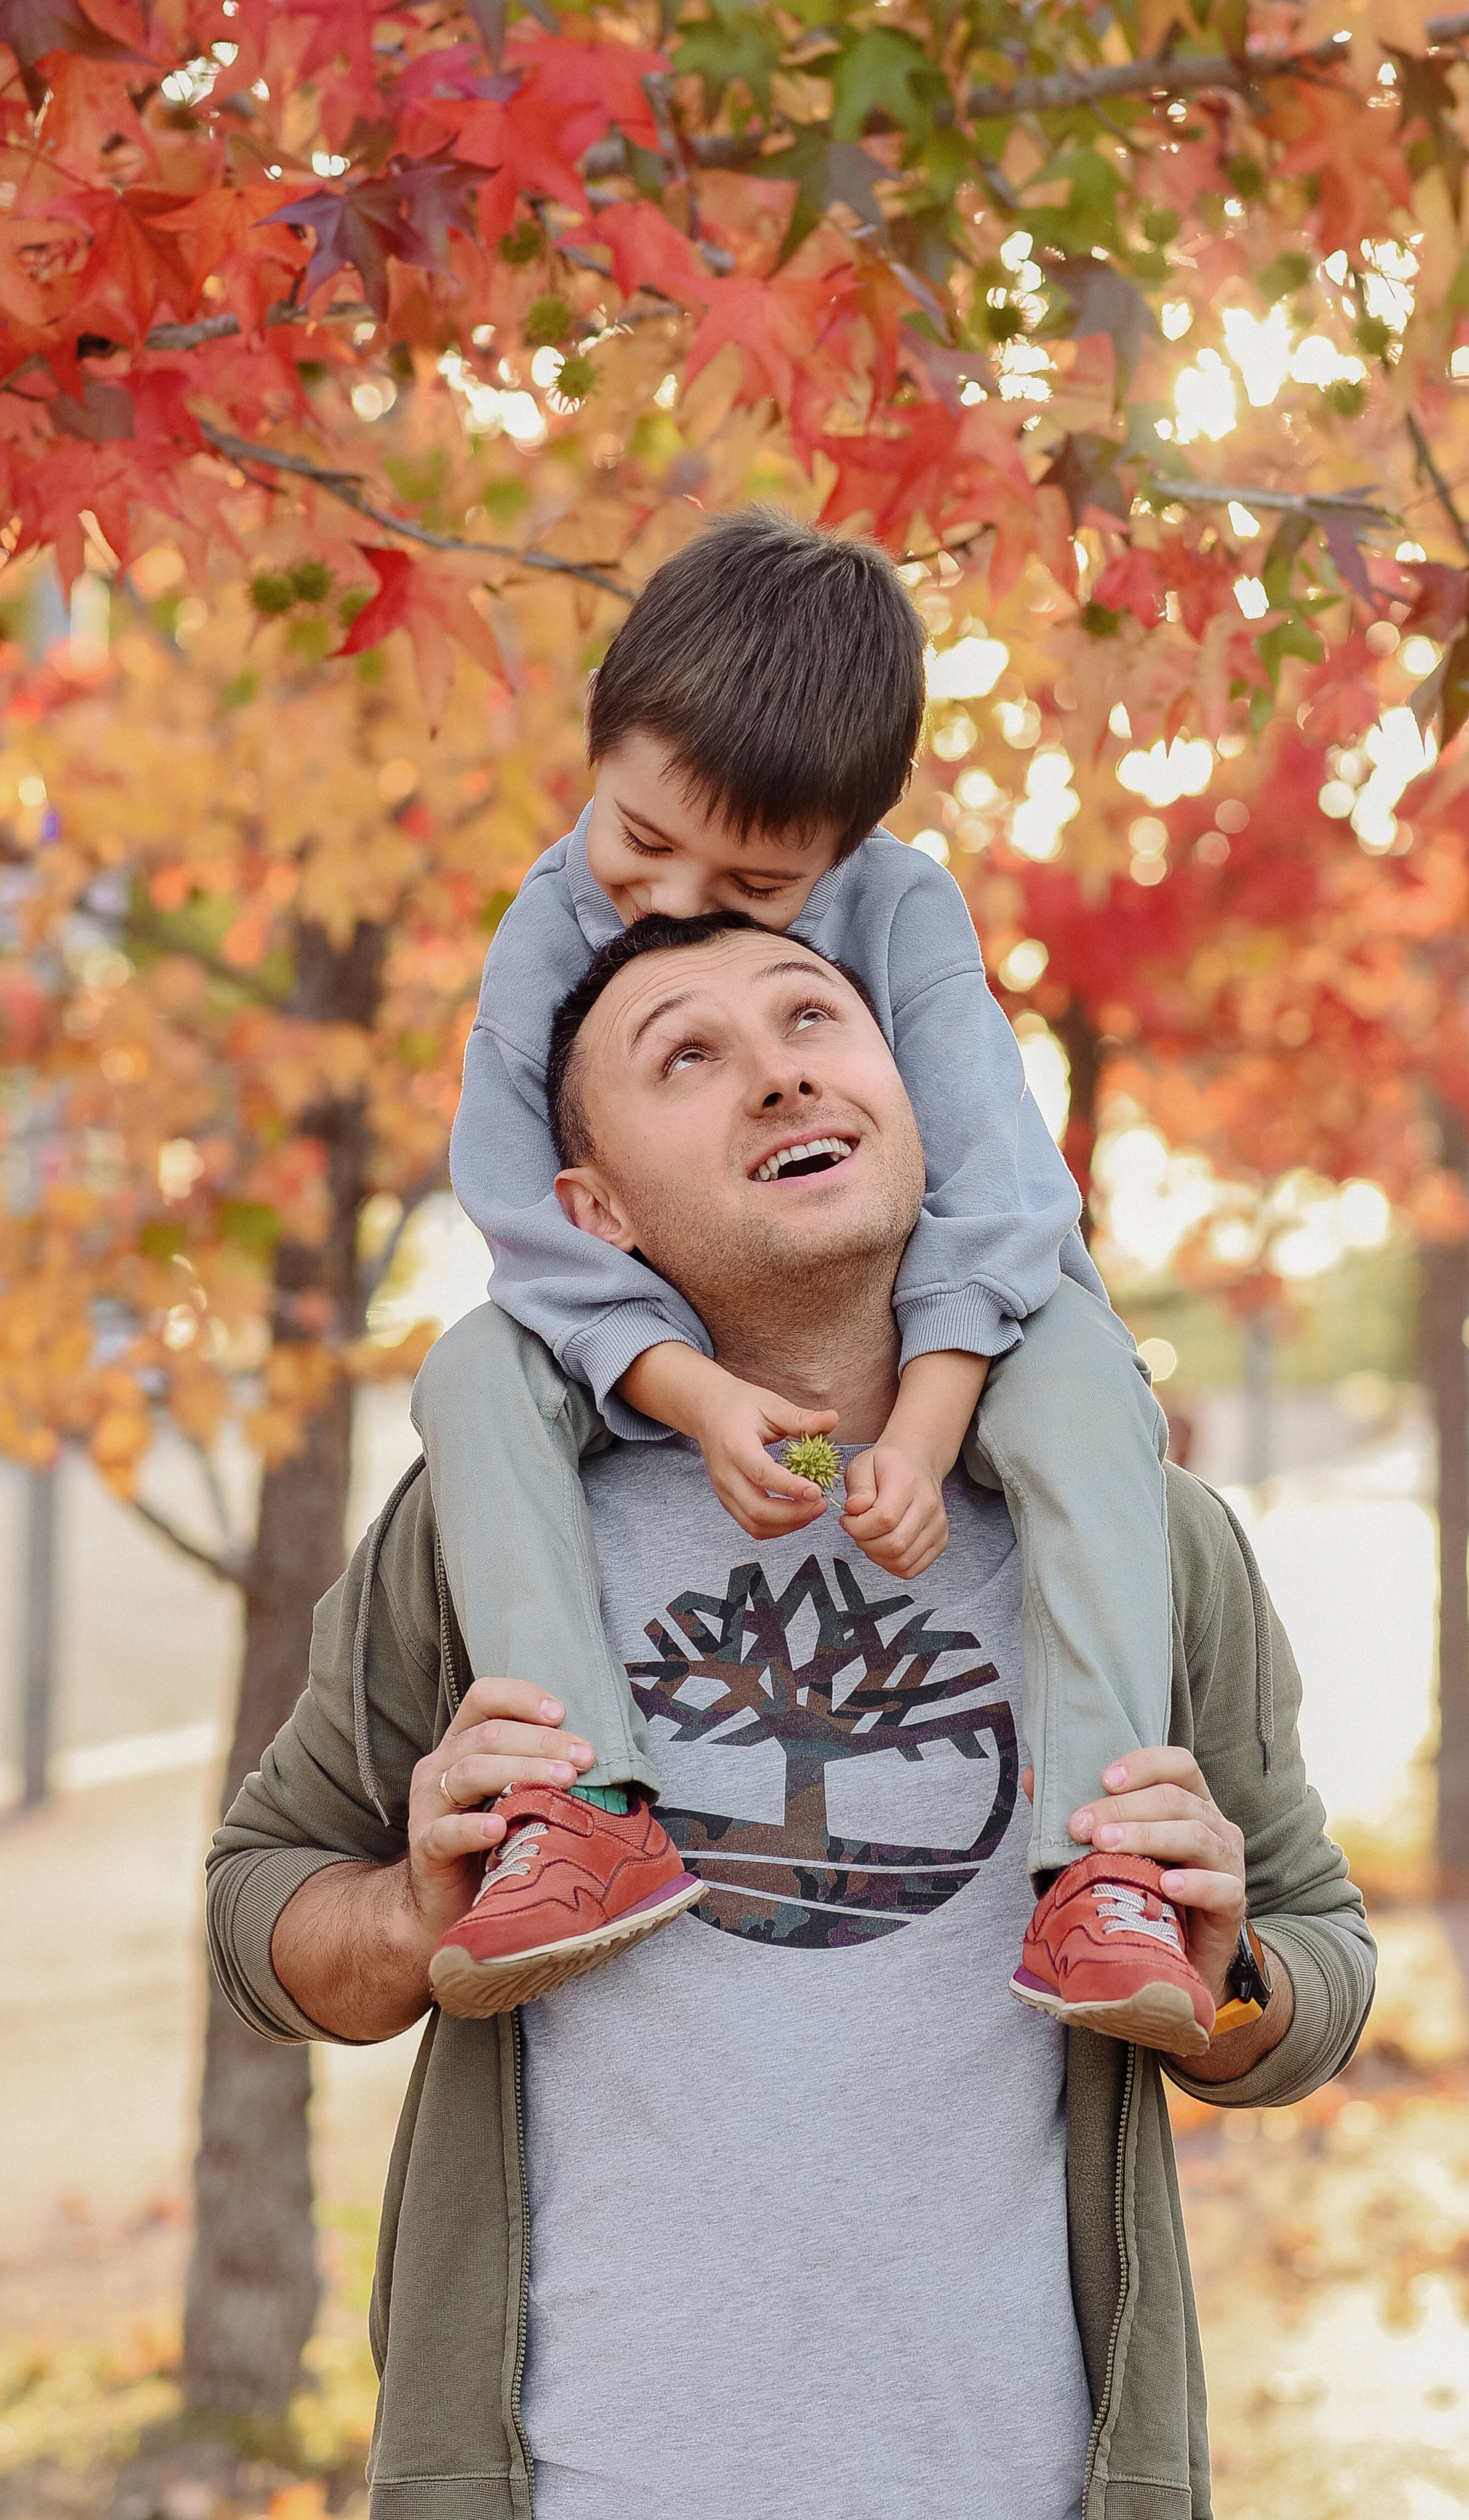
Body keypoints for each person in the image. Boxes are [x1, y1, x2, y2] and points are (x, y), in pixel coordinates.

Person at [206, 914, 1375, 2520]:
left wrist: (1226, 1966)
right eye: (686, 1054)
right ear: (594, 1211)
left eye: (812, 1017)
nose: (777, 1075)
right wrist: (414, 1914)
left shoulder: (1142, 1537)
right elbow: (258, 1903)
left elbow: (1315, 1959)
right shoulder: (485, 1523)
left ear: (912, 1096)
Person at [411, 503, 1192, 2039]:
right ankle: (581, 1807)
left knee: (1084, 1377)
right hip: (680, 1363)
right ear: (598, 746)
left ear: (843, 851)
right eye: (641, 840)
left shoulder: (901, 908)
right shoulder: (545, 925)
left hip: (949, 1348)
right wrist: (692, 1392)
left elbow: (1001, 1187)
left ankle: (1106, 1870)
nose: (676, 902)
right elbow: (525, 1215)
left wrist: (929, 1422)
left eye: (759, 887)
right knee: (472, 1368)